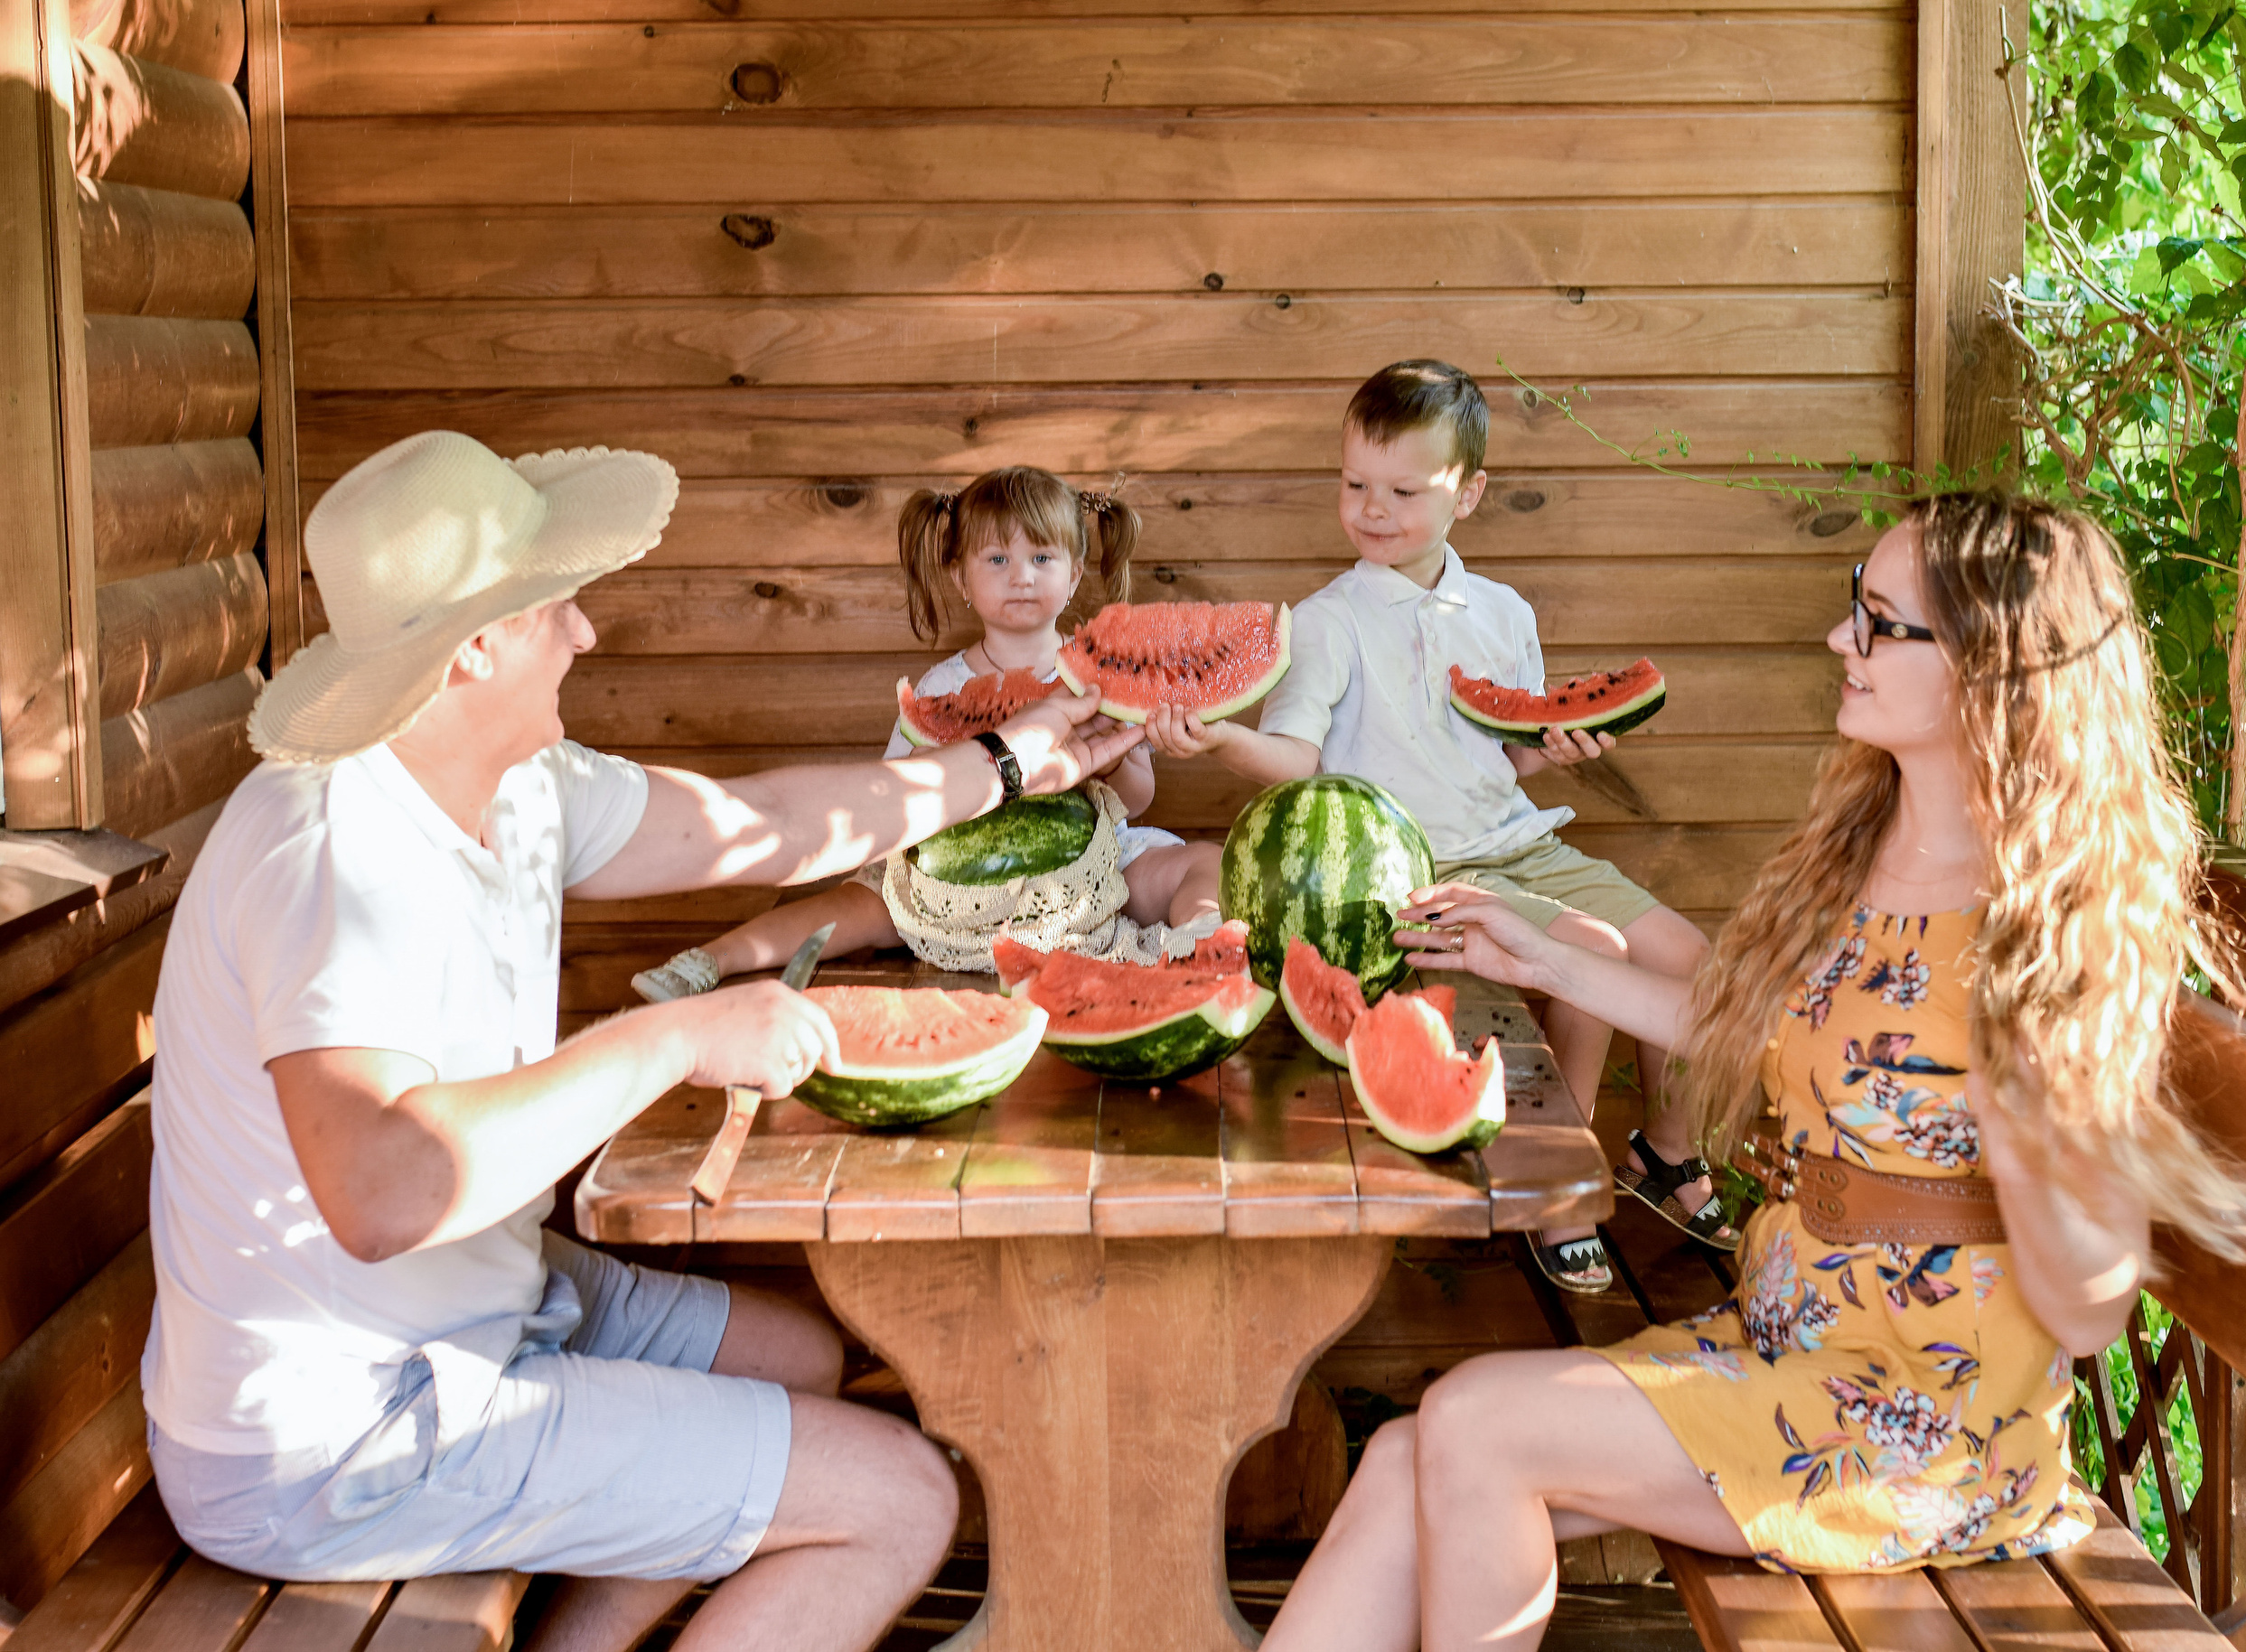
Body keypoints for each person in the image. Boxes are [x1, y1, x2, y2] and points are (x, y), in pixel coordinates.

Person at [141, 432, 1143, 1652]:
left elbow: (762, 824)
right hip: (340, 1430)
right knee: (898, 1498)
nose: (586, 634)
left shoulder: (517, 781)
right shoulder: (335, 846)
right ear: (476, 646)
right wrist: (673, 1036)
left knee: (800, 1357)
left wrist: (1003, 761)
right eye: (558, 605)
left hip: (481, 1310)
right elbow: (384, 1186)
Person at [1259, 492, 2246, 1652]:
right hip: (1790, 1340)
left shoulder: (2049, 924)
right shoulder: (1863, 838)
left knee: (1476, 1426)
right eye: (1856, 609)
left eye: (1880, 623)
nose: (1841, 639)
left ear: (1994, 669)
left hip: (1927, 1417)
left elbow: (2093, 1307)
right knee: (1408, 1452)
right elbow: (1737, 1020)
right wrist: (1535, 952)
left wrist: (2029, 1127)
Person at [1145, 359, 1721, 1293]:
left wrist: (1558, 749)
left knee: (1694, 959)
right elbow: (1297, 758)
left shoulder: (1503, 611)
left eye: (1403, 490)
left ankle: (1664, 1149)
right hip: (1421, 869)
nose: (1373, 509)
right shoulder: (1329, 622)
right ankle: (1551, 1183)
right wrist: (1218, 741)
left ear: (1470, 492)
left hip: (1524, 843)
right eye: (1355, 485)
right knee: (1587, 953)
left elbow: (1506, 754)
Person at [632, 466, 1223, 997]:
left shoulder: (1108, 675)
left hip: (1085, 863)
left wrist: (1109, 758)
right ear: (961, 577)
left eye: (1042, 558)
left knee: (1200, 860)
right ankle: (710, 958)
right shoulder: (943, 686)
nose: (1021, 576)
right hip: (956, 877)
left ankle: (1204, 944)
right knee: (851, 906)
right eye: (997, 560)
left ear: (1073, 576)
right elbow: (896, 798)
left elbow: (1139, 800)